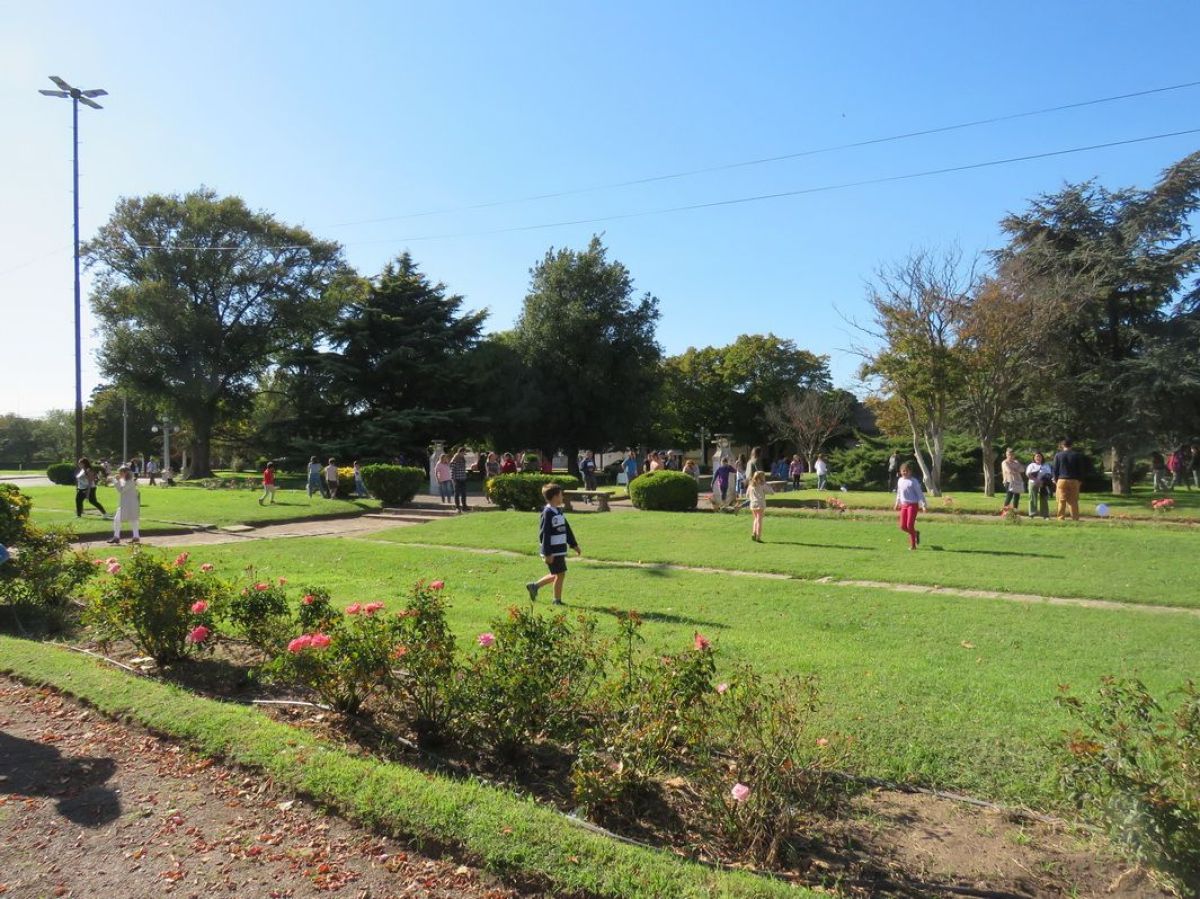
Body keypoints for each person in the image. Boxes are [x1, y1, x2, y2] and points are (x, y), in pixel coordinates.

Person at [525, 483, 581, 606]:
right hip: (552, 551)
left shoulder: (558, 511)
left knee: (558, 573)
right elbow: (545, 533)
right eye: (561, 495)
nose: (562, 497)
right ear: (555, 497)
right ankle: (557, 600)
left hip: (560, 549)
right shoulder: (548, 512)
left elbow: (566, 528)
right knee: (560, 574)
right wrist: (547, 553)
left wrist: (573, 544)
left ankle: (534, 586)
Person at [894, 462, 927, 550]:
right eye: (903, 471)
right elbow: (899, 493)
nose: (905, 472)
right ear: (900, 471)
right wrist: (897, 503)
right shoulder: (900, 480)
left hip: (913, 505)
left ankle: (913, 546)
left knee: (909, 525)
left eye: (906, 471)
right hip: (904, 505)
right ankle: (915, 533)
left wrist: (923, 505)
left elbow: (920, 494)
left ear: (910, 472)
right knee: (902, 526)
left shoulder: (913, 481)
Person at [1051, 439, 1084, 521]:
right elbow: (1080, 469)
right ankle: (1075, 518)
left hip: (1062, 479)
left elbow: (1055, 469)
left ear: (1062, 446)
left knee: (1061, 500)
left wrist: (1055, 479)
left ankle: (1061, 518)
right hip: (1074, 480)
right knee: (1073, 501)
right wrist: (1080, 480)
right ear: (1071, 446)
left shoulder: (1058, 455)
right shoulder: (1077, 455)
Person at [108, 465, 140, 545]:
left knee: (131, 520)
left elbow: (121, 490)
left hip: (130, 504)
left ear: (125, 473)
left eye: (121, 472)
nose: (119, 474)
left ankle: (117, 537)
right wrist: (114, 481)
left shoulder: (130, 481)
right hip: (127, 503)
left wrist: (116, 481)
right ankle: (133, 537)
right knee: (124, 520)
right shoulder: (125, 480)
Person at [1025, 452, 1053, 519]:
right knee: (1032, 498)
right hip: (1033, 483)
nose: (1038, 458)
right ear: (1034, 458)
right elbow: (1028, 474)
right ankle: (1032, 514)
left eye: (1039, 456)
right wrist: (1036, 480)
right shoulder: (1031, 465)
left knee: (1044, 498)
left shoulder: (1046, 465)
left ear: (1042, 457)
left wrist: (1042, 481)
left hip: (1043, 483)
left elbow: (1049, 475)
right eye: (1036, 456)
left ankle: (1045, 515)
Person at [747, 470, 771, 543]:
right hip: (760, 504)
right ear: (761, 477)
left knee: (755, 519)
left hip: (752, 504)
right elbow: (771, 492)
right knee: (759, 520)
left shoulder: (750, 485)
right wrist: (767, 485)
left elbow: (747, 495)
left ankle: (754, 533)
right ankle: (758, 536)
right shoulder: (762, 485)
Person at [450, 446, 469, 512]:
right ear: (460, 452)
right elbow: (452, 469)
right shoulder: (455, 459)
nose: (464, 454)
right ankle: (457, 507)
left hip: (463, 478)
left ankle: (464, 506)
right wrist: (453, 479)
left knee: (464, 493)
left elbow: (464, 468)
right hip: (457, 479)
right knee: (457, 493)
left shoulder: (463, 459)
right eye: (463, 453)